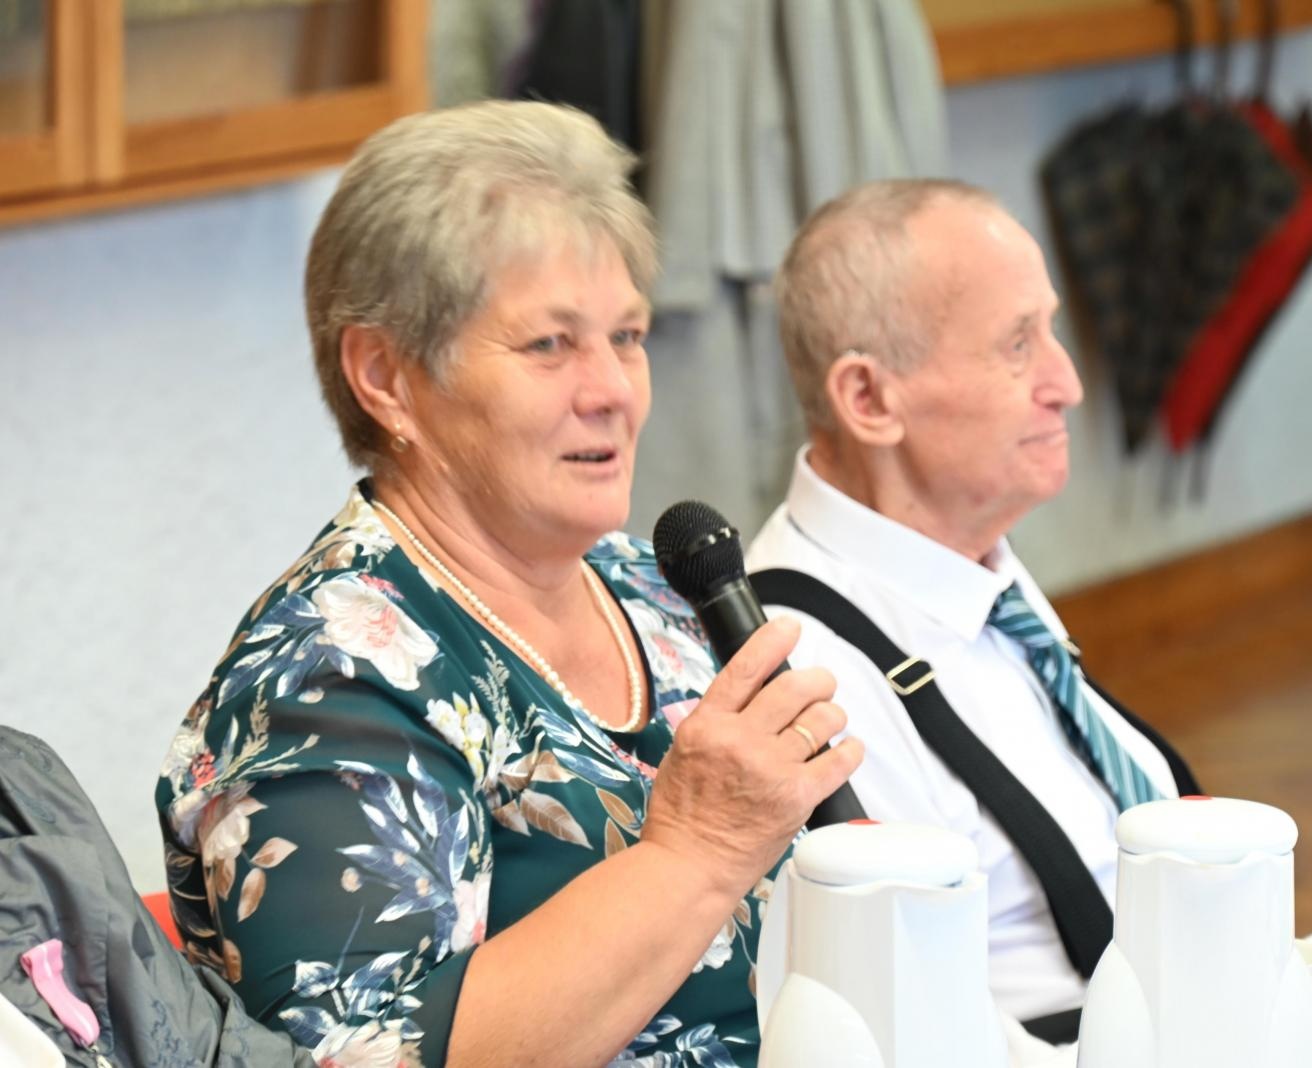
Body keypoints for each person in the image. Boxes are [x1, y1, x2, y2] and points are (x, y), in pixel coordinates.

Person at [155, 101, 861, 1068]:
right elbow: (368, 1056)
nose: (611, 388)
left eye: (628, 336)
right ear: (386, 377)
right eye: (550, 346)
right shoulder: (323, 685)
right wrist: (691, 856)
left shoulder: (650, 590)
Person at [745, 179, 1199, 1036]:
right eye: (1018, 345)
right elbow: (916, 1014)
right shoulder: (806, 668)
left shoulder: (959, 558)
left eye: (1050, 328)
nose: (1066, 382)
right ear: (871, 401)